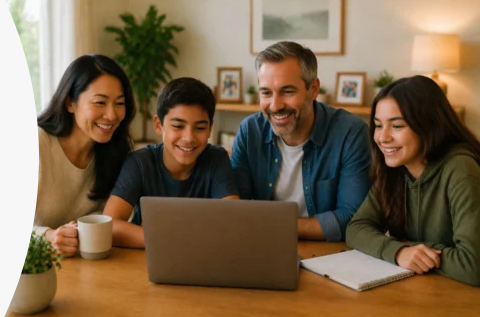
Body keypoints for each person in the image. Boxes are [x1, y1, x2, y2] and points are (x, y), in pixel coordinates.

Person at [346, 75, 480, 286]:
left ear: (429, 125)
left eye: (397, 126)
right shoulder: (395, 167)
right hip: (421, 289)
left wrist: (413, 250)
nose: (382, 137)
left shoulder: (461, 169)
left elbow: (473, 266)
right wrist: (400, 251)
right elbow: (357, 228)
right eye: (378, 125)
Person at [230, 41, 371, 242]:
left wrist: (276, 226)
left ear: (313, 89)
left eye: (287, 92)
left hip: (328, 254)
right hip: (263, 246)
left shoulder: (351, 132)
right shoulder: (249, 131)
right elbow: (234, 208)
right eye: (266, 93)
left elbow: (352, 217)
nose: (275, 106)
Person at [103, 77, 239, 248]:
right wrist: (173, 239)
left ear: (210, 128)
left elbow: (233, 221)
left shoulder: (216, 159)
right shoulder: (139, 162)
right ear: (159, 125)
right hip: (147, 259)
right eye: (178, 126)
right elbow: (108, 225)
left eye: (200, 128)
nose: (189, 138)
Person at [36, 54, 136, 257]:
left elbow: (113, 215)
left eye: (119, 103)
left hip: (85, 264)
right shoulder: (35, 144)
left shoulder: (118, 150)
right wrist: (48, 236)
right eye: (100, 103)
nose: (112, 115)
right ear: (70, 103)